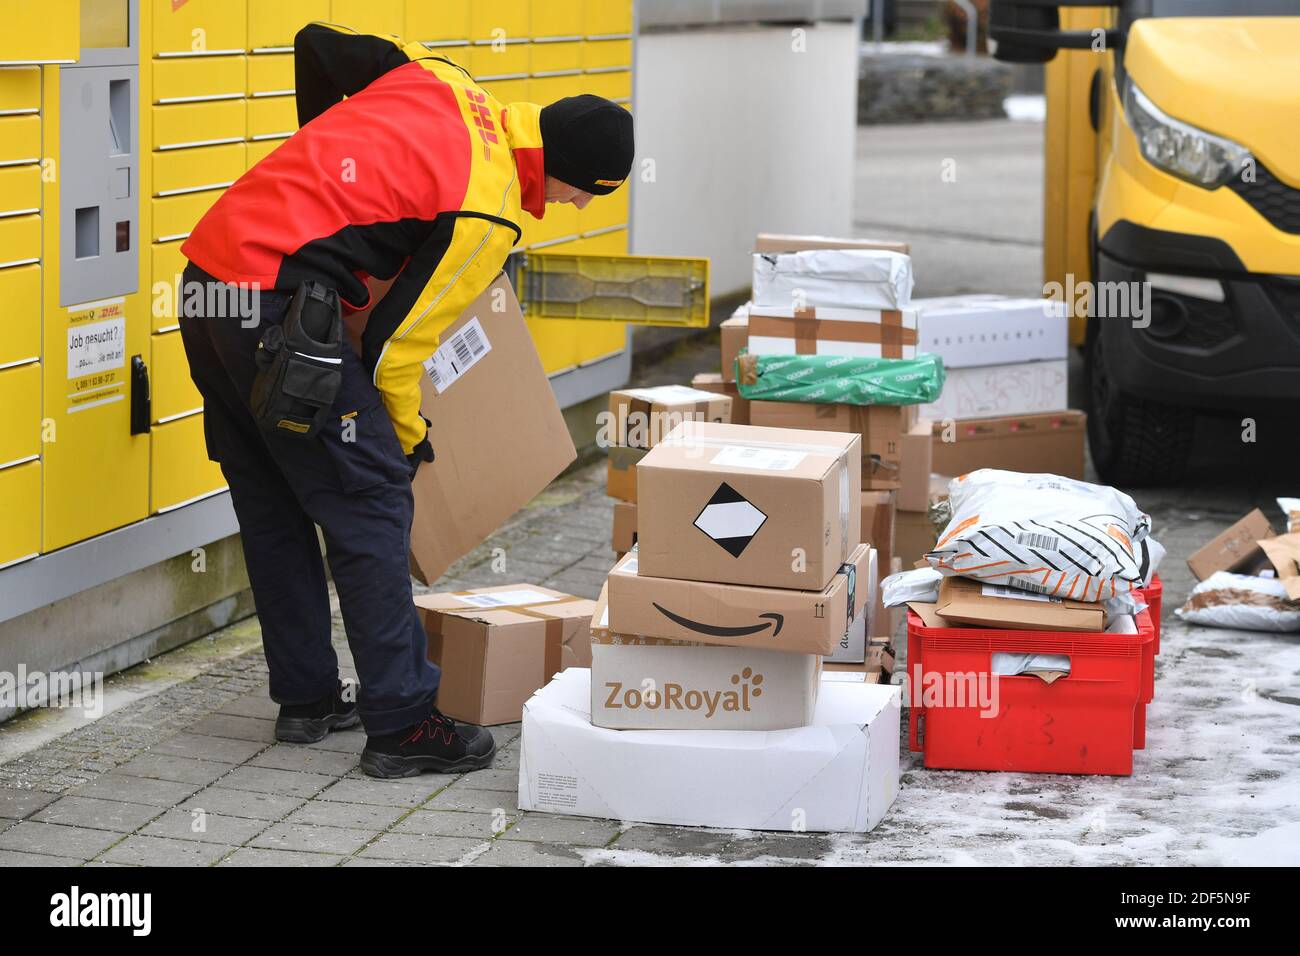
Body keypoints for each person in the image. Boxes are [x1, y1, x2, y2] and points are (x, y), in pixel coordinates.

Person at [176, 22, 634, 778]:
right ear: (573, 174)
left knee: (274, 496)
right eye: (583, 195)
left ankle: (309, 697)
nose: (576, 207)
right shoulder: (487, 210)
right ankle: (404, 723)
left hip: (208, 284)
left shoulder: (444, 77)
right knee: (372, 499)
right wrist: (406, 432)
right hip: (278, 309)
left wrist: (323, 169)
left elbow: (317, 43)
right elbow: (397, 345)